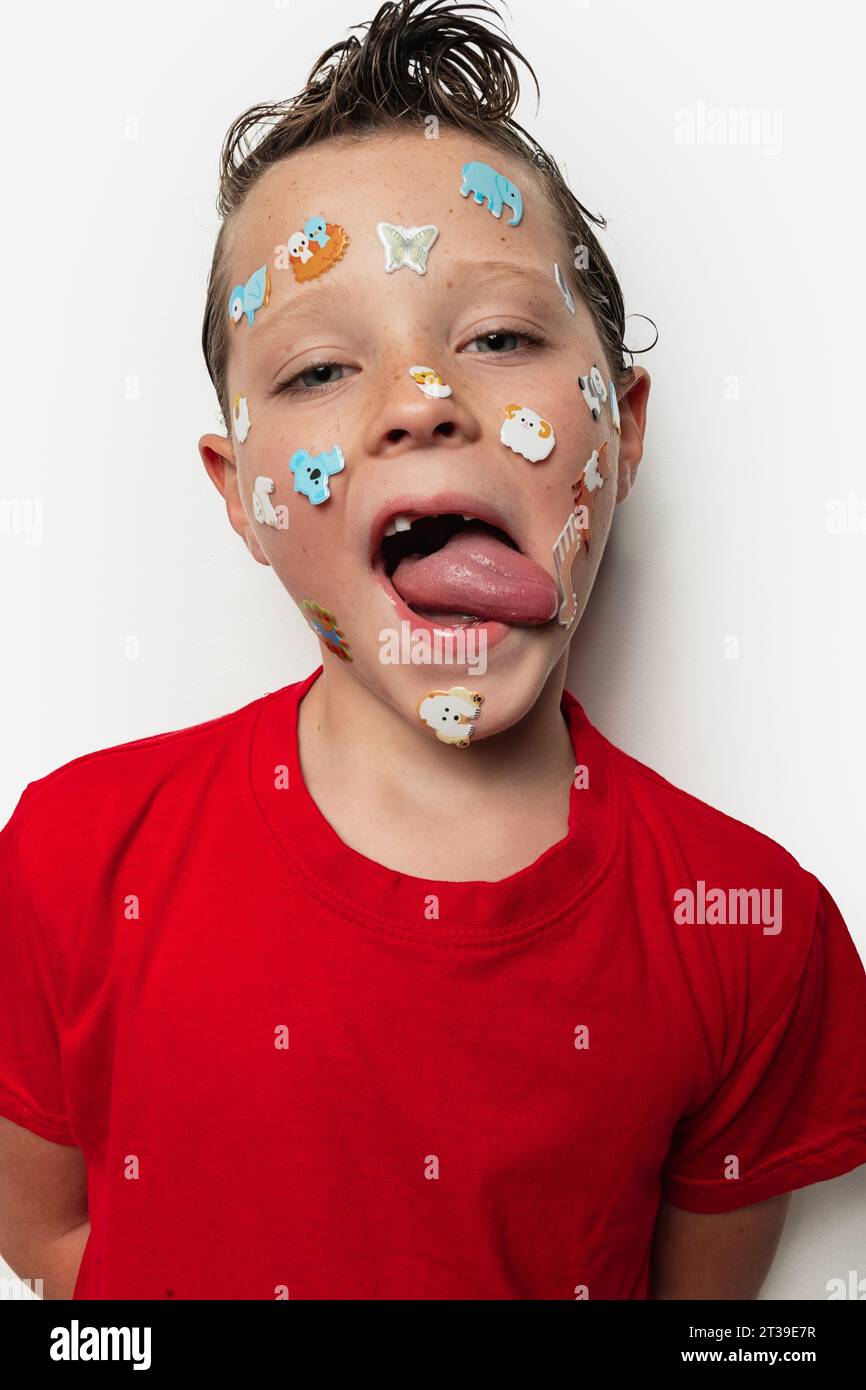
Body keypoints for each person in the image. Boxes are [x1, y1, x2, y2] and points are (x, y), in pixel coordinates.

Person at [1, 0, 864, 1301]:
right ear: (241, 497)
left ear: (619, 431)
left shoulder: (748, 927)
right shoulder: (71, 857)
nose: (418, 401)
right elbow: (61, 1244)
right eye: (318, 369)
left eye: (500, 339)